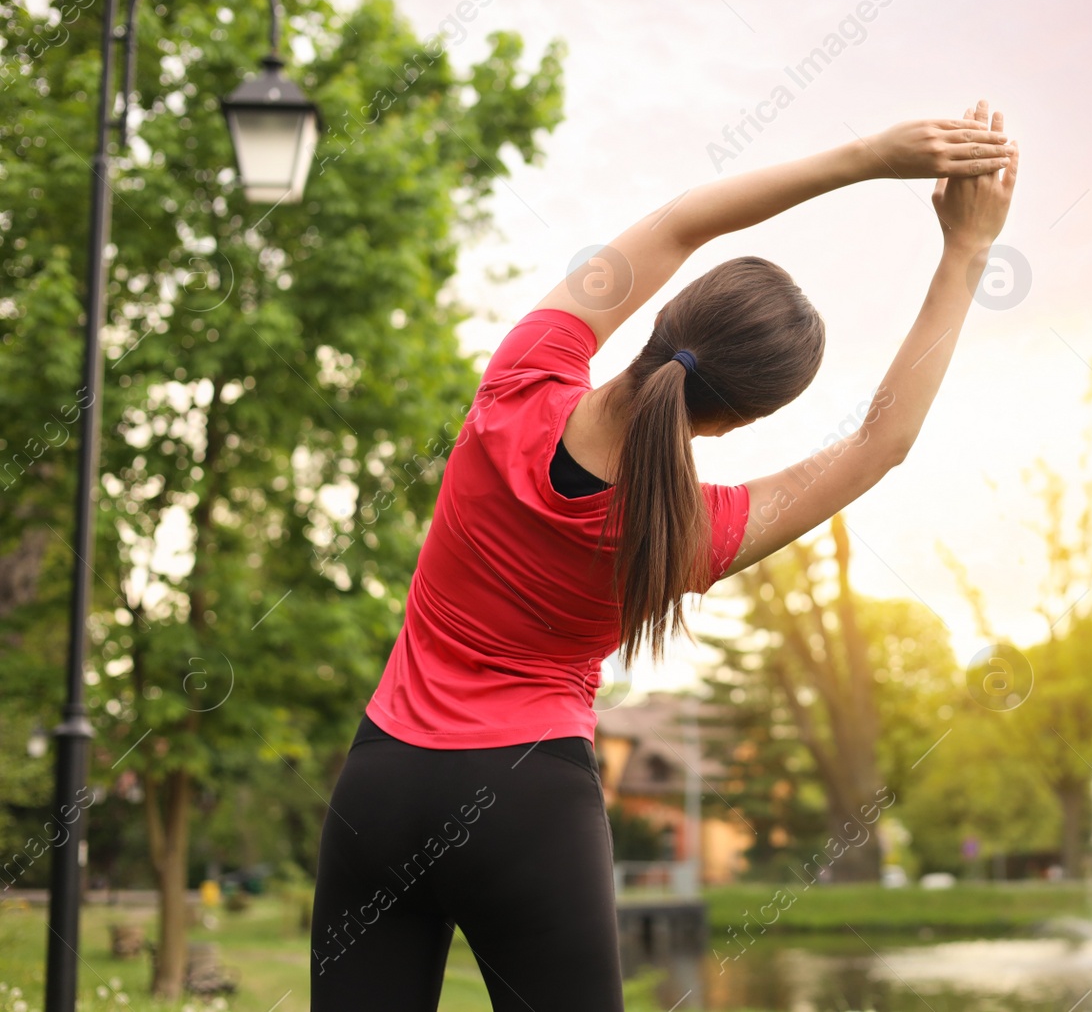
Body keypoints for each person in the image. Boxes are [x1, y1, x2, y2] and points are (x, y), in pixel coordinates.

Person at [308, 99, 1019, 1010]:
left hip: (383, 781)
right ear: (743, 419)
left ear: (664, 317)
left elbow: (684, 220)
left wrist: (869, 154)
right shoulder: (689, 531)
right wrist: (966, 250)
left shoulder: (522, 377)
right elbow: (880, 443)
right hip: (530, 805)